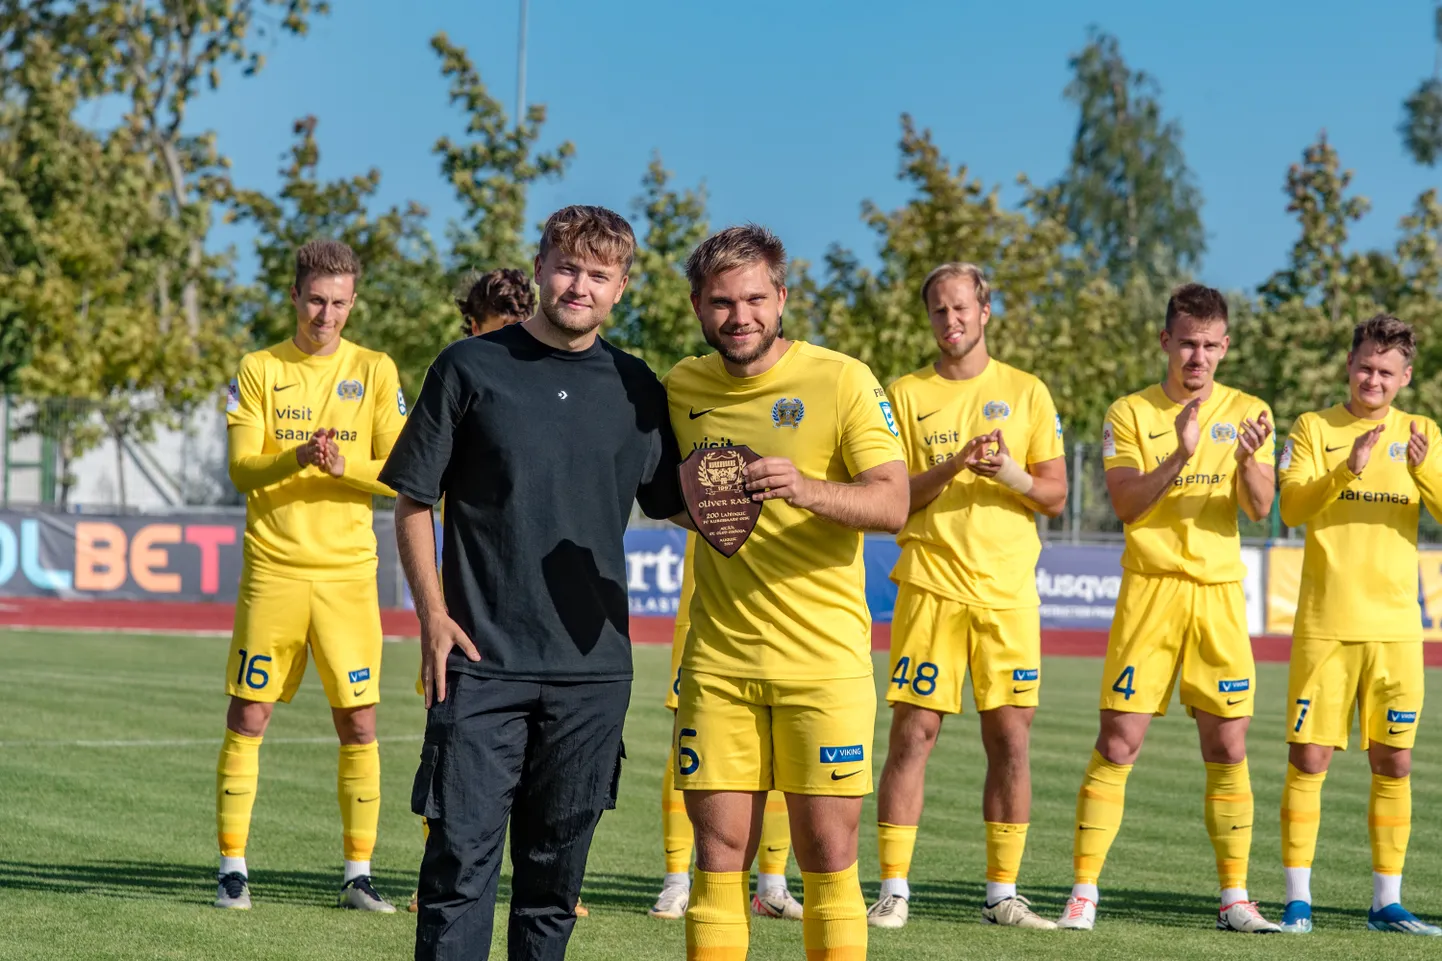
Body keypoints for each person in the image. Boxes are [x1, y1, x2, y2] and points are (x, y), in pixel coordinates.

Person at [380, 205, 684, 961]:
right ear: (542, 267)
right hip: (481, 664)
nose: (580, 285)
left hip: (593, 675)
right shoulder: (468, 367)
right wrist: (433, 616)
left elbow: (680, 504)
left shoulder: (637, 385)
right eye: (568, 267)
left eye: (599, 274)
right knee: (457, 873)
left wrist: (774, 480)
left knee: (554, 888)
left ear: (621, 288)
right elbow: (414, 500)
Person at [664, 224, 908, 961]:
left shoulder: (841, 378)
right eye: (721, 302)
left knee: (829, 861)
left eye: (754, 299)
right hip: (718, 663)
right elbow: (666, 496)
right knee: (719, 862)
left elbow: (892, 503)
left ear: (782, 298)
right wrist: (703, 500)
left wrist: (806, 489)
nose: (739, 316)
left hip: (822, 664)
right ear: (698, 306)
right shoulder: (681, 386)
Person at [1057, 283, 1280, 933]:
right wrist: (1182, 450)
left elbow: (1261, 507)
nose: (1198, 357)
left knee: (1228, 744)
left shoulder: (1249, 411)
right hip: (1149, 592)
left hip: (1216, 596)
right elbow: (1126, 504)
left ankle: (1235, 897)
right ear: (1165, 340)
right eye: (1187, 342)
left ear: (1226, 347)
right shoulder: (1130, 412)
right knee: (1119, 740)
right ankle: (1083, 890)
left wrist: (1246, 461)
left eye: (1211, 345)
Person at [867, 263, 1065, 931]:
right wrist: (953, 466)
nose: (950, 322)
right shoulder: (903, 393)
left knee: (1010, 738)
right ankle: (893, 887)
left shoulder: (1027, 390)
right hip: (931, 583)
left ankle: (1001, 893)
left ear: (985, 310)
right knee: (912, 734)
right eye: (938, 312)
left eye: (961, 309)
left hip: (1007, 590)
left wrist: (1007, 470)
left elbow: (1056, 494)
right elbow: (894, 500)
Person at [214, 239, 406, 913]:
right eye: (315, 300)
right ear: (295, 296)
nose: (325, 315)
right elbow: (241, 468)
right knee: (250, 710)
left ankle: (358, 872)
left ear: (354, 302)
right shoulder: (260, 367)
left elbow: (399, 472)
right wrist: (297, 453)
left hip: (349, 575)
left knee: (358, 722)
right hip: (275, 568)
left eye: (339, 303)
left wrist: (338, 467)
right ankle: (232, 866)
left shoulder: (376, 370)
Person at [1275, 315, 1442, 936]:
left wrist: (1424, 470)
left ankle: (1386, 903)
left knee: (1394, 763)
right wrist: (1347, 467)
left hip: (1399, 629)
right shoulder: (1314, 428)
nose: (1373, 379)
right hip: (1326, 625)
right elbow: (1290, 508)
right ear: (1349, 365)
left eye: (1386, 371)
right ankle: (1297, 901)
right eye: (1365, 366)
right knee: (1309, 758)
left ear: (1404, 378)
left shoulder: (1423, 433)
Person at [407, 266, 538, 916]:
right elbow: (416, 497)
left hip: (535, 621)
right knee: (453, 761)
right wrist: (433, 609)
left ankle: (535, 882)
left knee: (533, 769)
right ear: (472, 325)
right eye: (494, 331)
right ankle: (438, 869)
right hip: (464, 612)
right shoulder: (460, 379)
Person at [650, 533, 803, 922]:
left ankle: (772, 884)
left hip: (782, 579)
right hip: (711, 585)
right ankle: (676, 882)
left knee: (784, 730)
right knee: (687, 728)